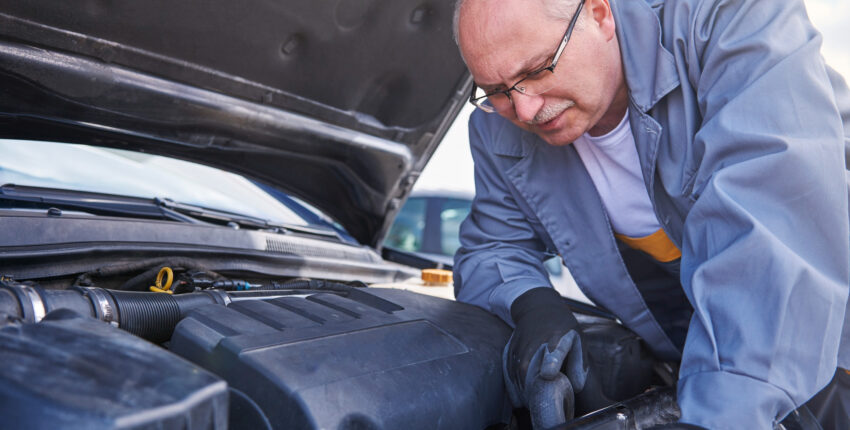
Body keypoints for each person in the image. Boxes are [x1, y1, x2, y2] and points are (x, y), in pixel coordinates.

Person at [451, 0, 850, 428]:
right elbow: (491, 246)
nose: (525, 109)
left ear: (600, 14)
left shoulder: (728, 21)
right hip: (695, 366)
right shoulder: (498, 127)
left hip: (827, 341)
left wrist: (714, 416)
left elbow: (771, 230)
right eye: (496, 90)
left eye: (536, 70)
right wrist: (531, 304)